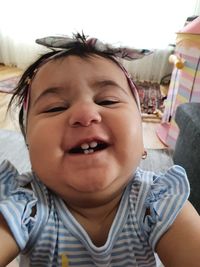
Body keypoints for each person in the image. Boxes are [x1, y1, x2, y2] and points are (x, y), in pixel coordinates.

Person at [0, 33, 200, 267]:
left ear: (141, 143)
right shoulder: (25, 206)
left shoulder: (158, 202)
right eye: (56, 107)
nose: (85, 115)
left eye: (108, 101)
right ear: (29, 146)